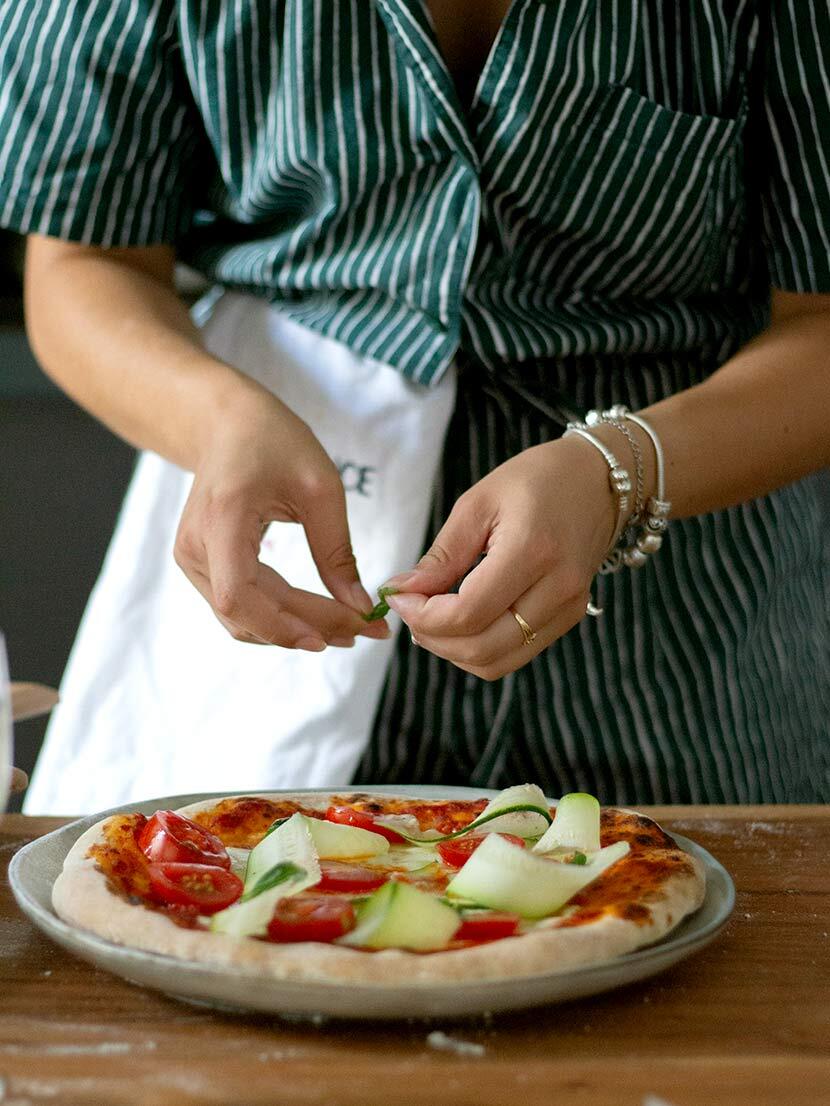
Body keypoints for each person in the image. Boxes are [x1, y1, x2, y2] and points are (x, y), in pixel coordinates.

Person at [2, 1, 828, 811]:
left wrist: (621, 470)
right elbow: (84, 260)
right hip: (278, 596)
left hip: (693, 626)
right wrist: (216, 421)